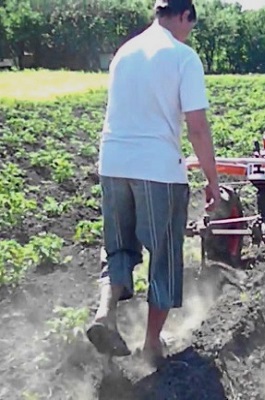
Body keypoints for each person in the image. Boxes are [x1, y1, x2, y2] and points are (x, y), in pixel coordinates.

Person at [86, 0, 220, 368]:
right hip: (157, 171)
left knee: (119, 248)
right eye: (190, 25)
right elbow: (196, 126)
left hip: (113, 163)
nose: (189, 31)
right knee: (163, 256)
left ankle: (104, 312)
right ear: (183, 16)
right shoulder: (183, 56)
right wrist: (213, 181)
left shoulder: (123, 53)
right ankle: (151, 344)